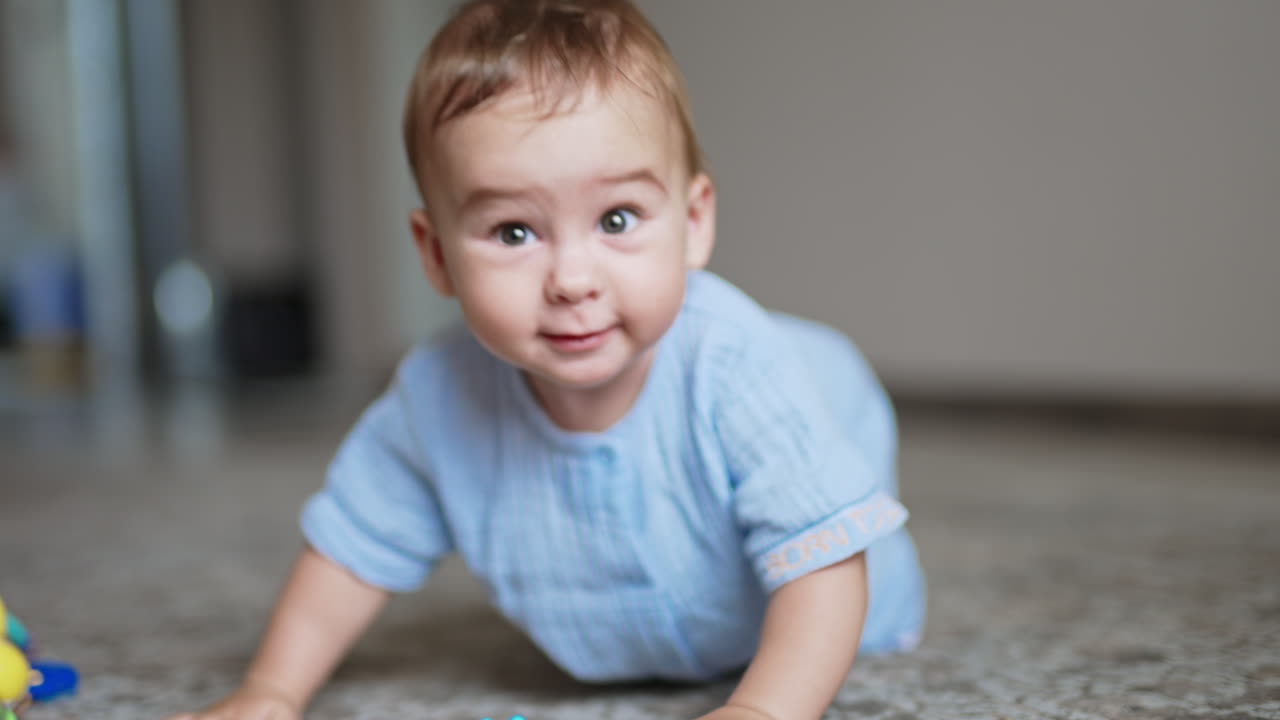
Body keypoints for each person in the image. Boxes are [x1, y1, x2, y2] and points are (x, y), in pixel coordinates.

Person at [167, 1, 925, 719]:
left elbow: (823, 566)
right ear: (435, 254)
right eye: (513, 233)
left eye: (617, 219)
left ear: (694, 224)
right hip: (617, 631)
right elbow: (348, 551)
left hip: (826, 562)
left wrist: (762, 707)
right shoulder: (437, 397)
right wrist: (270, 690)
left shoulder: (735, 366)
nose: (571, 280)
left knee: (835, 527)